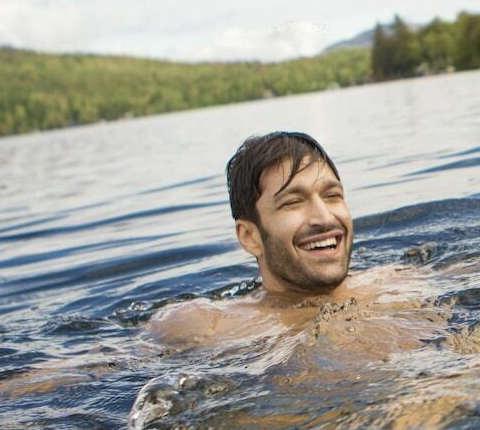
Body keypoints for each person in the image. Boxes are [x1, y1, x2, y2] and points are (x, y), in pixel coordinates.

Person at [148, 130, 429, 356]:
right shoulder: (208, 325)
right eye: (293, 202)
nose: (324, 217)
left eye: (332, 196)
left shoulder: (401, 283)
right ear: (250, 237)